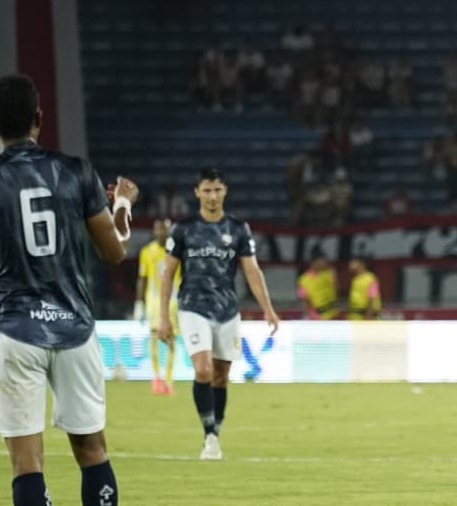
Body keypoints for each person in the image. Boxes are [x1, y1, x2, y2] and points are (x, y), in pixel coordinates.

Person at [0, 73, 135, 506]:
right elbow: (115, 253)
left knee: (28, 463)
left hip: (12, 328)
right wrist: (121, 207)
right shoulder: (76, 172)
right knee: (92, 451)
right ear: (39, 118)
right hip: (74, 329)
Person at [159, 167, 279, 460]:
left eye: (217, 190)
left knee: (222, 377)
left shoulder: (238, 229)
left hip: (227, 309)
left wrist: (268, 309)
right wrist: (164, 317)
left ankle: (214, 431)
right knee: (203, 370)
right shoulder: (183, 228)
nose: (212, 196)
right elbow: (167, 274)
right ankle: (210, 434)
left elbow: (252, 270)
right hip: (193, 306)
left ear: (225, 192)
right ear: (197, 192)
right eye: (207, 190)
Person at [135, 218, 180, 395]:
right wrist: (138, 304)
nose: (161, 233)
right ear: (154, 232)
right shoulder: (147, 252)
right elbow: (142, 278)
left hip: (174, 301)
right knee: (154, 336)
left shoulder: (177, 251)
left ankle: (168, 379)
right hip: (154, 301)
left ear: (169, 231)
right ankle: (156, 377)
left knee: (171, 339)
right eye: (158, 230)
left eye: (165, 230)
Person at [297, 248, 339, 320]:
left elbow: (337, 291)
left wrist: (334, 277)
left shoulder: (329, 274)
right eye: (322, 260)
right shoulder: (305, 279)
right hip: (315, 318)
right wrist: (305, 316)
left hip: (332, 316)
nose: (325, 262)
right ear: (314, 262)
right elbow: (305, 301)